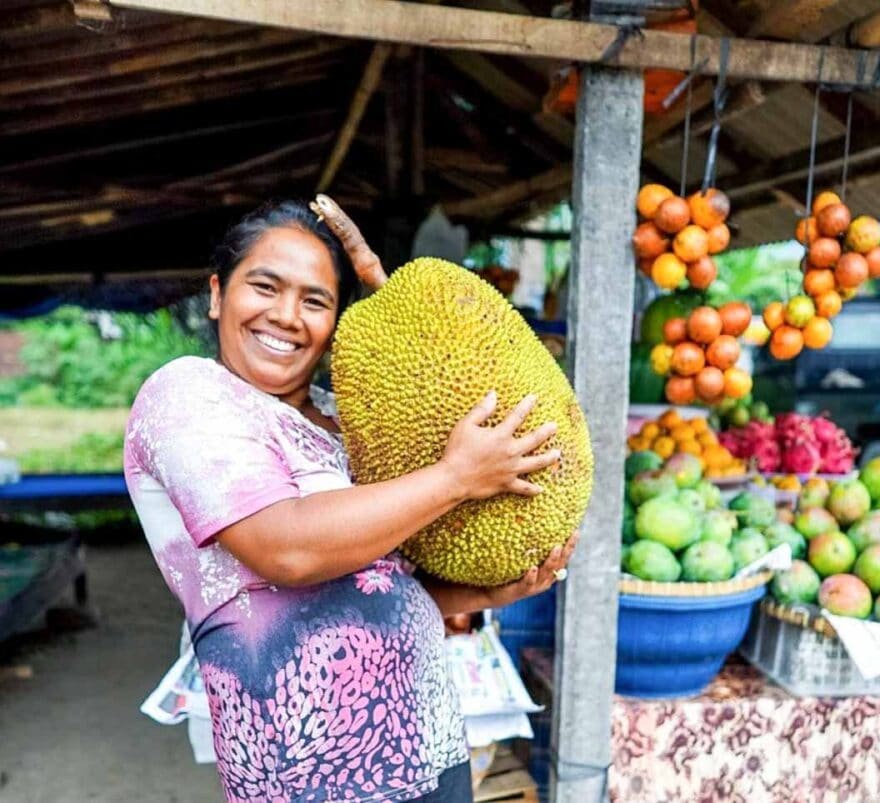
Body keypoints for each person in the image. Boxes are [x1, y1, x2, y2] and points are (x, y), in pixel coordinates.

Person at [124, 196, 577, 803]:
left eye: (316, 301)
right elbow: (287, 550)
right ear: (216, 294)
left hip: (429, 744)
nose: (287, 316)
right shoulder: (189, 395)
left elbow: (369, 584)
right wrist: (454, 478)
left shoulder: (347, 418)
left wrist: (484, 594)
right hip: (308, 771)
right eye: (265, 287)